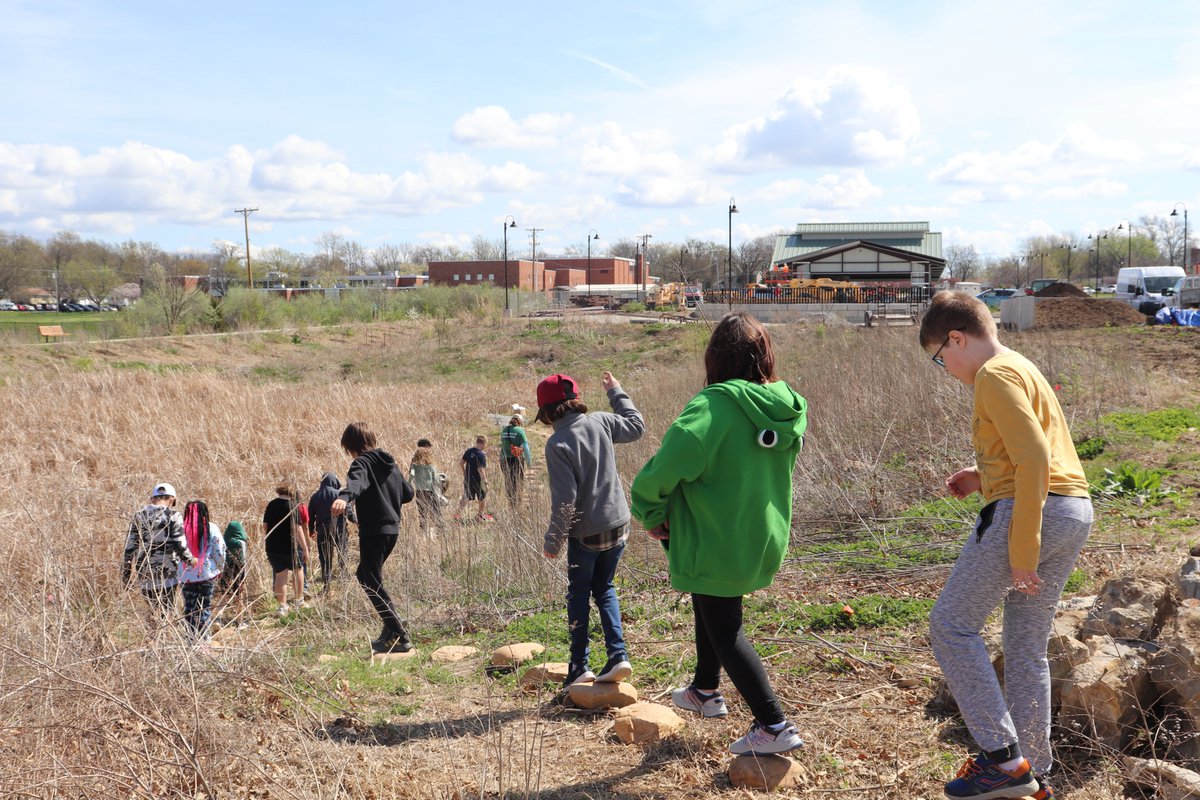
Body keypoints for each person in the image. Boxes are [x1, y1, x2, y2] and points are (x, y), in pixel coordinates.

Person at [919, 292, 1091, 800]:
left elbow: (1035, 455)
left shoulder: (992, 375)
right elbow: (1038, 448)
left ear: (957, 338)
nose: (944, 367)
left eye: (939, 356)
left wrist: (1022, 546)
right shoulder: (1019, 365)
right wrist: (984, 475)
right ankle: (1033, 770)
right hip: (1073, 508)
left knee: (951, 625)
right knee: (1024, 648)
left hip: (1031, 511)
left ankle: (1003, 759)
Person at [630, 312, 808, 757]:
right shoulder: (785, 406)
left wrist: (650, 510)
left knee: (725, 627)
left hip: (714, 537)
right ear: (765, 355)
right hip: (761, 535)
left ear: (714, 358)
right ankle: (705, 689)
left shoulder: (712, 407)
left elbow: (664, 469)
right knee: (710, 602)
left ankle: (773, 724)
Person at [538, 371, 644, 687]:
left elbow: (566, 502)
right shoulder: (600, 421)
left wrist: (553, 541)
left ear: (545, 411)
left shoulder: (557, 443)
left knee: (579, 594)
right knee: (605, 587)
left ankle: (578, 666)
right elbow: (636, 427)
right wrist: (616, 391)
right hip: (619, 524)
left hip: (586, 534)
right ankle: (618, 656)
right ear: (576, 400)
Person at [330, 422, 416, 653]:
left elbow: (356, 482)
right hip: (392, 530)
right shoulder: (390, 464)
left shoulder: (361, 463)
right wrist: (389, 496)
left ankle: (399, 633)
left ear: (350, 445)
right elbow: (408, 493)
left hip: (374, 530)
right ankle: (390, 631)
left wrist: (344, 497)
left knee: (369, 579)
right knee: (368, 575)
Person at [123, 482, 196, 627]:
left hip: (144, 570)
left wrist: (125, 574)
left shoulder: (139, 516)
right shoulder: (173, 515)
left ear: (152, 499)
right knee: (166, 609)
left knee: (152, 608)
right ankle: (162, 642)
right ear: (172, 499)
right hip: (167, 570)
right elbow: (179, 544)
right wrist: (191, 561)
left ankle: (152, 638)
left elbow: (130, 547)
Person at [177, 500, 227, 643]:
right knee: (204, 606)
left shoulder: (179, 529)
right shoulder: (211, 528)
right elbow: (220, 550)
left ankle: (190, 639)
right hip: (206, 574)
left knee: (189, 606)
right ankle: (204, 640)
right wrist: (220, 567)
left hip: (185, 576)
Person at [263, 484, 307, 616]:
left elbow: (265, 526)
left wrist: (269, 539)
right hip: (290, 547)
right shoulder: (294, 506)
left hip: (273, 547)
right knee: (298, 570)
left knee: (280, 575)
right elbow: (298, 529)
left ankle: (282, 606)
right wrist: (305, 548)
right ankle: (299, 601)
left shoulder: (271, 505)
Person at [308, 472, 356, 590]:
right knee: (342, 555)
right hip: (339, 529)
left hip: (322, 530)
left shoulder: (315, 496)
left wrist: (311, 530)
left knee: (325, 558)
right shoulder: (340, 494)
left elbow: (310, 516)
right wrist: (357, 521)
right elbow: (348, 512)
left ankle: (326, 587)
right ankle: (343, 582)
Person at [409, 439, 445, 535]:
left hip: (419, 491)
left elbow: (411, 474)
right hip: (431, 491)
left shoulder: (414, 462)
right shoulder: (430, 463)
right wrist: (441, 488)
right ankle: (441, 531)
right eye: (429, 446)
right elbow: (436, 479)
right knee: (436, 511)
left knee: (422, 514)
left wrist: (408, 485)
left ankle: (422, 533)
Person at [499, 414, 532, 507]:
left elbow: (502, 444)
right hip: (516, 459)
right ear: (520, 422)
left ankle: (510, 501)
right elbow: (526, 447)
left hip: (503, 459)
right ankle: (517, 503)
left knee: (508, 480)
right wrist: (529, 463)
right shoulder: (520, 431)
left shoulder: (504, 430)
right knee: (517, 481)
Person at [456, 436, 491, 521]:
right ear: (484, 443)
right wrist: (485, 481)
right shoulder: (481, 454)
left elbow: (461, 463)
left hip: (468, 478)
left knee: (467, 496)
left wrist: (465, 473)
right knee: (482, 498)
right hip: (478, 480)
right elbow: (480, 469)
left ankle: (457, 514)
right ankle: (480, 515)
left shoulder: (468, 451)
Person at [218, 520, 249, 616]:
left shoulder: (223, 541)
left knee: (223, 595)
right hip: (238, 570)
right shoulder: (240, 543)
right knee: (239, 595)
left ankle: (218, 619)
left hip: (225, 569)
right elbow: (243, 560)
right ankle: (239, 619)